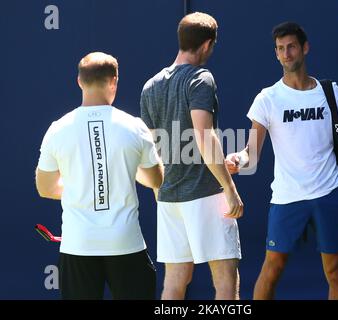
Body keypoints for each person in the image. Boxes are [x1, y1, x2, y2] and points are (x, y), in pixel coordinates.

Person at [225, 22, 338, 300]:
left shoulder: (330, 92)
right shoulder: (267, 98)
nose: (286, 53)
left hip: (329, 193)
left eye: (291, 46)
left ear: (305, 48)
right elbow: (252, 152)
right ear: (276, 54)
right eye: (280, 49)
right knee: (272, 269)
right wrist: (239, 158)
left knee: (335, 274)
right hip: (287, 197)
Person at [35, 52, 163, 300]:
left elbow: (45, 187)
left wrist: (85, 184)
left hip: (78, 245)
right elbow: (155, 180)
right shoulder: (134, 126)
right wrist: (119, 174)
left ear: (79, 81)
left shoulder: (58, 129)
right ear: (114, 80)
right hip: (125, 244)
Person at [140, 12, 243, 300]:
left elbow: (152, 149)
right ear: (207, 45)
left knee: (174, 282)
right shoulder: (201, 78)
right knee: (224, 280)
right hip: (207, 195)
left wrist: (160, 191)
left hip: (168, 198)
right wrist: (229, 188)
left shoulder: (150, 86)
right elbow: (204, 136)